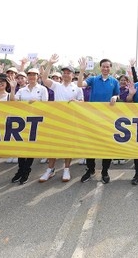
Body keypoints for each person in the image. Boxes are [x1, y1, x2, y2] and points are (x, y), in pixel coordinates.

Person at [40, 54, 84, 183]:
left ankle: (66, 169)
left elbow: (82, 102)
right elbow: (44, 79)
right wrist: (49, 64)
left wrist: (76, 101)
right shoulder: (56, 85)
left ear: (72, 75)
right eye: (64, 73)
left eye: (68, 73)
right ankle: (50, 169)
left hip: (70, 120)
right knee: (53, 145)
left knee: (68, 145)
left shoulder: (77, 87)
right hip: (56, 120)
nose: (65, 75)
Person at [76, 57, 120, 184]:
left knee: (107, 146)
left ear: (110, 68)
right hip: (92, 118)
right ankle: (90, 170)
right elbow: (80, 84)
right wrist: (82, 70)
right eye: (103, 66)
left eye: (108, 67)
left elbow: (117, 94)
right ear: (100, 67)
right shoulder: (93, 79)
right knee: (90, 145)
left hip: (108, 119)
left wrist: (115, 96)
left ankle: (105, 172)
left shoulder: (114, 81)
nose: (105, 68)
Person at [11, 67, 49, 184]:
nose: (32, 77)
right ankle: (20, 170)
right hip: (22, 121)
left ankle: (26, 171)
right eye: (30, 75)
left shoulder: (42, 89)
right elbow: (13, 101)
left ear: (38, 77)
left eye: (34, 75)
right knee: (21, 147)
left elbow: (46, 105)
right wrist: (12, 89)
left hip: (36, 121)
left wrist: (37, 104)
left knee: (30, 147)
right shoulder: (22, 90)